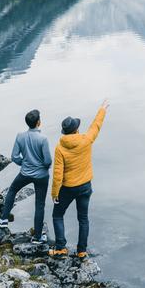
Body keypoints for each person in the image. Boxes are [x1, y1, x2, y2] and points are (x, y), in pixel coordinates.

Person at [50, 99, 108, 259]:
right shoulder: (86, 140)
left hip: (67, 188)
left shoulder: (60, 147)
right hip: (85, 187)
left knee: (57, 215)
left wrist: (54, 194)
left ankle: (61, 247)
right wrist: (102, 109)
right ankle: (82, 251)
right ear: (76, 130)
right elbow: (96, 126)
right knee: (83, 218)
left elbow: (57, 174)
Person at [0, 108, 53, 242]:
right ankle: (38, 237)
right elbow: (48, 161)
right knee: (39, 205)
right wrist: (41, 167)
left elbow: (14, 157)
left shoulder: (20, 136)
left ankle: (3, 219)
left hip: (25, 173)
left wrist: (25, 163)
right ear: (39, 122)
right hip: (41, 176)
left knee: (12, 190)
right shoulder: (43, 139)